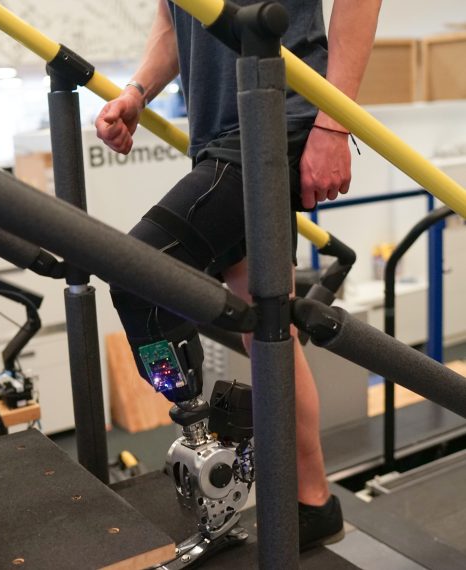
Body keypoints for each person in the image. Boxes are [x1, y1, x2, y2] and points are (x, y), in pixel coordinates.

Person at [95, 0, 382, 551]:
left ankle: (198, 431)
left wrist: (333, 122)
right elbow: (172, 23)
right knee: (267, 328)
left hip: (280, 114)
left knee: (140, 273)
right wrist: (136, 92)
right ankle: (314, 503)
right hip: (217, 134)